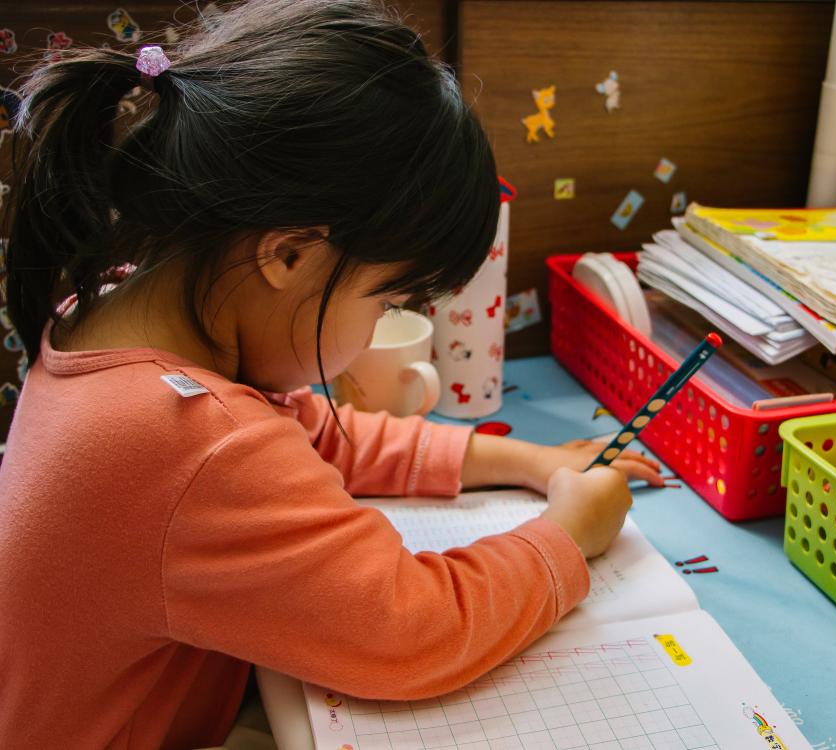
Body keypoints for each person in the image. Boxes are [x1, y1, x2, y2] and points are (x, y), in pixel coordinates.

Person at [0, 2, 663, 747]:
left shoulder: (117, 306)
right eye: (388, 303)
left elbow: (303, 433)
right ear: (287, 256)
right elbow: (410, 629)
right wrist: (569, 535)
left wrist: (521, 460)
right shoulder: (190, 440)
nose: (381, 328)